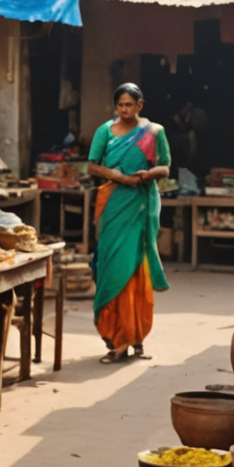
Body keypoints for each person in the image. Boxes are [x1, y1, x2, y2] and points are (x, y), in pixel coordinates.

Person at [87, 84, 171, 363]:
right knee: (111, 268)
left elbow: (165, 167)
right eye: (120, 105)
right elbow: (92, 165)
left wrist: (146, 175)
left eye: (129, 105)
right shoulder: (105, 131)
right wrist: (118, 176)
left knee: (136, 270)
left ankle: (135, 338)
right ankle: (115, 339)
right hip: (113, 205)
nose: (124, 109)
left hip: (140, 206)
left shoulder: (154, 132)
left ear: (140, 105)